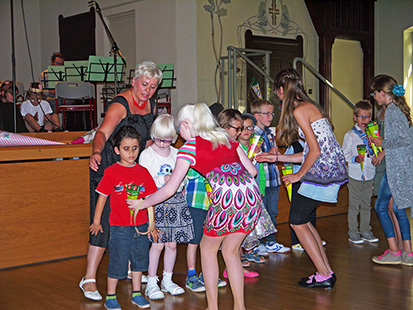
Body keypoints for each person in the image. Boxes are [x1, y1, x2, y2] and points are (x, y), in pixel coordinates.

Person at [127, 103, 261, 310]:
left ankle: (213, 307)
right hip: (251, 198)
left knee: (207, 250)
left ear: (187, 124)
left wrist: (143, 203)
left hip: (227, 198)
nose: (179, 133)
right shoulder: (226, 138)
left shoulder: (190, 147)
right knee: (231, 251)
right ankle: (240, 307)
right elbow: (252, 171)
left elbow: (170, 188)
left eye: (179, 127)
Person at [257, 68, 348, 289]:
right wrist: (276, 157)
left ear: (281, 90)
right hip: (330, 167)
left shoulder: (299, 111)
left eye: (277, 92)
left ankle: (324, 273)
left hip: (322, 170)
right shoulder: (310, 106)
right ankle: (326, 271)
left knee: (297, 221)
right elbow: (312, 151)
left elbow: (315, 151)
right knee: (303, 220)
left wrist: (298, 175)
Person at [79, 60, 163, 301]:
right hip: (109, 163)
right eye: (144, 84)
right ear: (134, 81)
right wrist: (95, 153)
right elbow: (103, 133)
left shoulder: (151, 103)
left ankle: (127, 267)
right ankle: (89, 278)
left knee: (130, 216)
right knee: (104, 219)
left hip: (133, 166)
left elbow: (146, 138)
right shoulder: (120, 104)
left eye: (153, 86)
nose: (147, 90)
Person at [89, 126, 157, 309]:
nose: (131, 153)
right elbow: (102, 197)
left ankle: (137, 293)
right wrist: (96, 221)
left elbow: (150, 200)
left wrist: (153, 225)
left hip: (141, 226)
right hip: (119, 226)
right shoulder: (111, 172)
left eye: (135, 148)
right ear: (117, 150)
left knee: (139, 261)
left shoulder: (143, 172)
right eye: (126, 149)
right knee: (118, 261)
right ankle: (110, 296)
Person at [138, 114, 193, 299]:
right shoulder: (147, 154)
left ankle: (167, 280)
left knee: (172, 244)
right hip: (156, 203)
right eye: (158, 139)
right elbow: (144, 182)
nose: (162, 143)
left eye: (167, 140)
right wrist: (164, 179)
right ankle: (152, 282)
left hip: (176, 203)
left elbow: (184, 177)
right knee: (157, 244)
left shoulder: (178, 154)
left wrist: (180, 183)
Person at [369, 74, 413, 265]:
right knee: (397, 208)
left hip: (399, 168)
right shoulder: (395, 109)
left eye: (374, 93)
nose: (373, 97)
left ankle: (395, 252)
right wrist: (385, 151)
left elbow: (405, 140)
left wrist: (382, 142)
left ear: (381, 93)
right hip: (399, 165)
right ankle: (407, 253)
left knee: (381, 206)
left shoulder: (393, 111)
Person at [217, 109, 260, 278]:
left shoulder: (230, 144)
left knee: (230, 243)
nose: (241, 132)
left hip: (230, 198)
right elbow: (252, 171)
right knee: (227, 245)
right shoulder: (229, 145)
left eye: (242, 128)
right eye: (237, 129)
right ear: (224, 126)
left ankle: (232, 270)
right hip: (231, 197)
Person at [250, 98, 291, 256]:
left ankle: (271, 241)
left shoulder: (269, 132)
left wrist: (275, 153)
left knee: (273, 211)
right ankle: (259, 243)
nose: (270, 116)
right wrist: (269, 154)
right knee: (261, 212)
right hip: (261, 180)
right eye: (266, 114)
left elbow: (271, 155)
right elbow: (255, 156)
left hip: (273, 178)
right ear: (256, 115)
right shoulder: (253, 134)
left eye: (272, 113)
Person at [239, 113, 274, 264]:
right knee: (241, 224)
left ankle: (250, 250)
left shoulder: (256, 145)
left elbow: (259, 171)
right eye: (243, 128)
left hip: (254, 190)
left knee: (253, 224)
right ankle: (239, 254)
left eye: (249, 127)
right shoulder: (235, 147)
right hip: (241, 191)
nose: (246, 131)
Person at [342, 100, 379, 244]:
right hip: (355, 174)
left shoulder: (374, 135)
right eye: (361, 117)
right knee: (354, 205)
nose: (365, 120)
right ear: (355, 118)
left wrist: (377, 156)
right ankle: (353, 232)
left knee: (366, 204)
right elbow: (343, 154)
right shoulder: (350, 135)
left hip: (369, 174)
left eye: (368, 117)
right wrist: (354, 158)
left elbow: (378, 151)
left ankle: (365, 230)